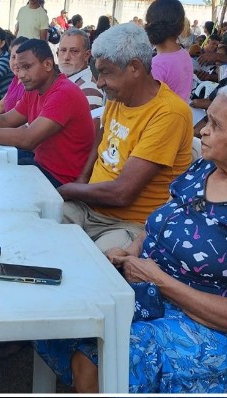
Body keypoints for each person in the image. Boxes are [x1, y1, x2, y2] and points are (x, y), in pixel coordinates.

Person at [34, 80, 227, 393]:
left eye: (215, 124)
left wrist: (161, 281)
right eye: (207, 119)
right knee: (54, 312)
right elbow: (159, 222)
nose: (202, 130)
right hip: (149, 290)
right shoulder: (205, 168)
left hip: (207, 325)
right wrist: (131, 250)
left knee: (95, 358)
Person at [55, 22, 193, 252]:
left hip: (128, 225)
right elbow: (102, 137)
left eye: (106, 73)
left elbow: (122, 194)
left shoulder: (169, 113)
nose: (99, 82)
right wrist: (82, 179)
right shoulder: (119, 97)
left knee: (93, 265)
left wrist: (67, 190)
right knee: (34, 228)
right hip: (89, 207)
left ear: (135, 68)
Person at [0, 39, 95, 187]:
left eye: (27, 67)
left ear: (48, 64)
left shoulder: (63, 93)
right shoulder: (35, 87)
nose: (21, 75)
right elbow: (6, 120)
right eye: (19, 68)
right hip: (40, 164)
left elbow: (27, 140)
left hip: (60, 179)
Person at [144, 0, 193, 103]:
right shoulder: (184, 54)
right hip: (181, 115)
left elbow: (148, 104)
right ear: (180, 27)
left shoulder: (156, 65)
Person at [57, 28, 104, 110]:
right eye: (63, 50)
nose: (66, 57)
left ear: (86, 55)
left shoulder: (88, 90)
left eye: (74, 51)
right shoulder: (64, 80)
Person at [0, 36, 29, 114]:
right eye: (13, 57)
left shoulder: (28, 86)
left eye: (21, 57)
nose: (16, 62)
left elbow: (11, 120)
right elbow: (2, 105)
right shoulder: (16, 79)